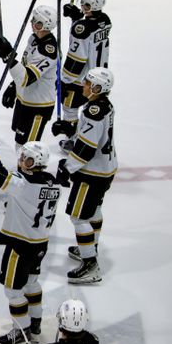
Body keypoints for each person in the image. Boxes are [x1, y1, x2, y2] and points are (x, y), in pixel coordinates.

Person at [0, 126, 60, 344]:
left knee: (13, 290)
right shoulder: (53, 183)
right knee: (31, 282)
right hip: (40, 243)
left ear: (36, 163)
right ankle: (35, 324)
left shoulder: (24, 185)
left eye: (27, 159)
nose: (22, 161)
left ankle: (22, 332)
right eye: (22, 157)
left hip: (21, 244)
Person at [57, 68, 116, 284]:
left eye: (88, 83)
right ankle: (91, 246)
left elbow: (86, 149)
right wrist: (70, 130)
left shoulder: (93, 110)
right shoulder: (104, 106)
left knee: (79, 217)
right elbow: (93, 137)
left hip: (92, 173)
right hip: (107, 168)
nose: (84, 85)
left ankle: (90, 264)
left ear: (98, 88)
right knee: (94, 210)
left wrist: (67, 167)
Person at [0, 6, 59, 149]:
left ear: (45, 25)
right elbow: (24, 67)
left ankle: (26, 172)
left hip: (38, 107)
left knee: (28, 149)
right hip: (25, 100)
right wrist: (13, 87)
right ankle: (21, 170)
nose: (32, 23)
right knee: (19, 142)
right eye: (33, 20)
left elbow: (27, 78)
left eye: (36, 22)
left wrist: (9, 57)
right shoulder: (34, 39)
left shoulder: (48, 50)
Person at [54, 0, 111, 138]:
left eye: (84, 4)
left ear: (90, 5)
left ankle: (73, 141)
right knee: (89, 110)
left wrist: (64, 80)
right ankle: (84, 137)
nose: (82, 6)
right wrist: (77, 18)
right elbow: (91, 35)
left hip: (82, 80)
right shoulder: (105, 20)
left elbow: (76, 59)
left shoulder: (82, 29)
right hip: (99, 77)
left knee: (69, 107)